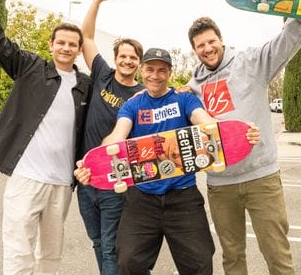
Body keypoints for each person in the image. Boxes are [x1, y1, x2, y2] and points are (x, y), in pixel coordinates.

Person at [75, 47, 260, 275]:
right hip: (142, 198)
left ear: (169, 73)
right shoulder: (132, 105)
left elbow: (205, 122)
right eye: (150, 69)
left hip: (182, 195)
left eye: (162, 70)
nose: (155, 75)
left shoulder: (184, 99)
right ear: (142, 70)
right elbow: (117, 136)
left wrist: (240, 133)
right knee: (128, 262)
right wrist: (94, 162)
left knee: (200, 262)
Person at [185, 0, 301, 274]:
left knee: (277, 255)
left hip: (261, 178)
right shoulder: (193, 88)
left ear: (221, 39)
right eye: (200, 46)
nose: (207, 49)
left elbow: (289, 39)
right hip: (220, 185)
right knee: (232, 258)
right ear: (194, 51)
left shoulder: (251, 63)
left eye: (210, 41)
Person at [0, 0, 91, 275]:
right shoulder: (30, 68)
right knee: (18, 250)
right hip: (26, 177)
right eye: (61, 42)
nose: (66, 48)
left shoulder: (84, 85)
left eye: (72, 44)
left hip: (62, 183)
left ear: (79, 50)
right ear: (51, 44)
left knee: (51, 254)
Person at [76, 0, 144, 275]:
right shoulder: (102, 75)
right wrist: (98, 2)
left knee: (110, 244)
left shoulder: (142, 95)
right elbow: (86, 37)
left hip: (116, 182)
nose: (127, 61)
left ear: (139, 63)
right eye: (123, 56)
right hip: (85, 177)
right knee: (96, 241)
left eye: (133, 58)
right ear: (116, 57)